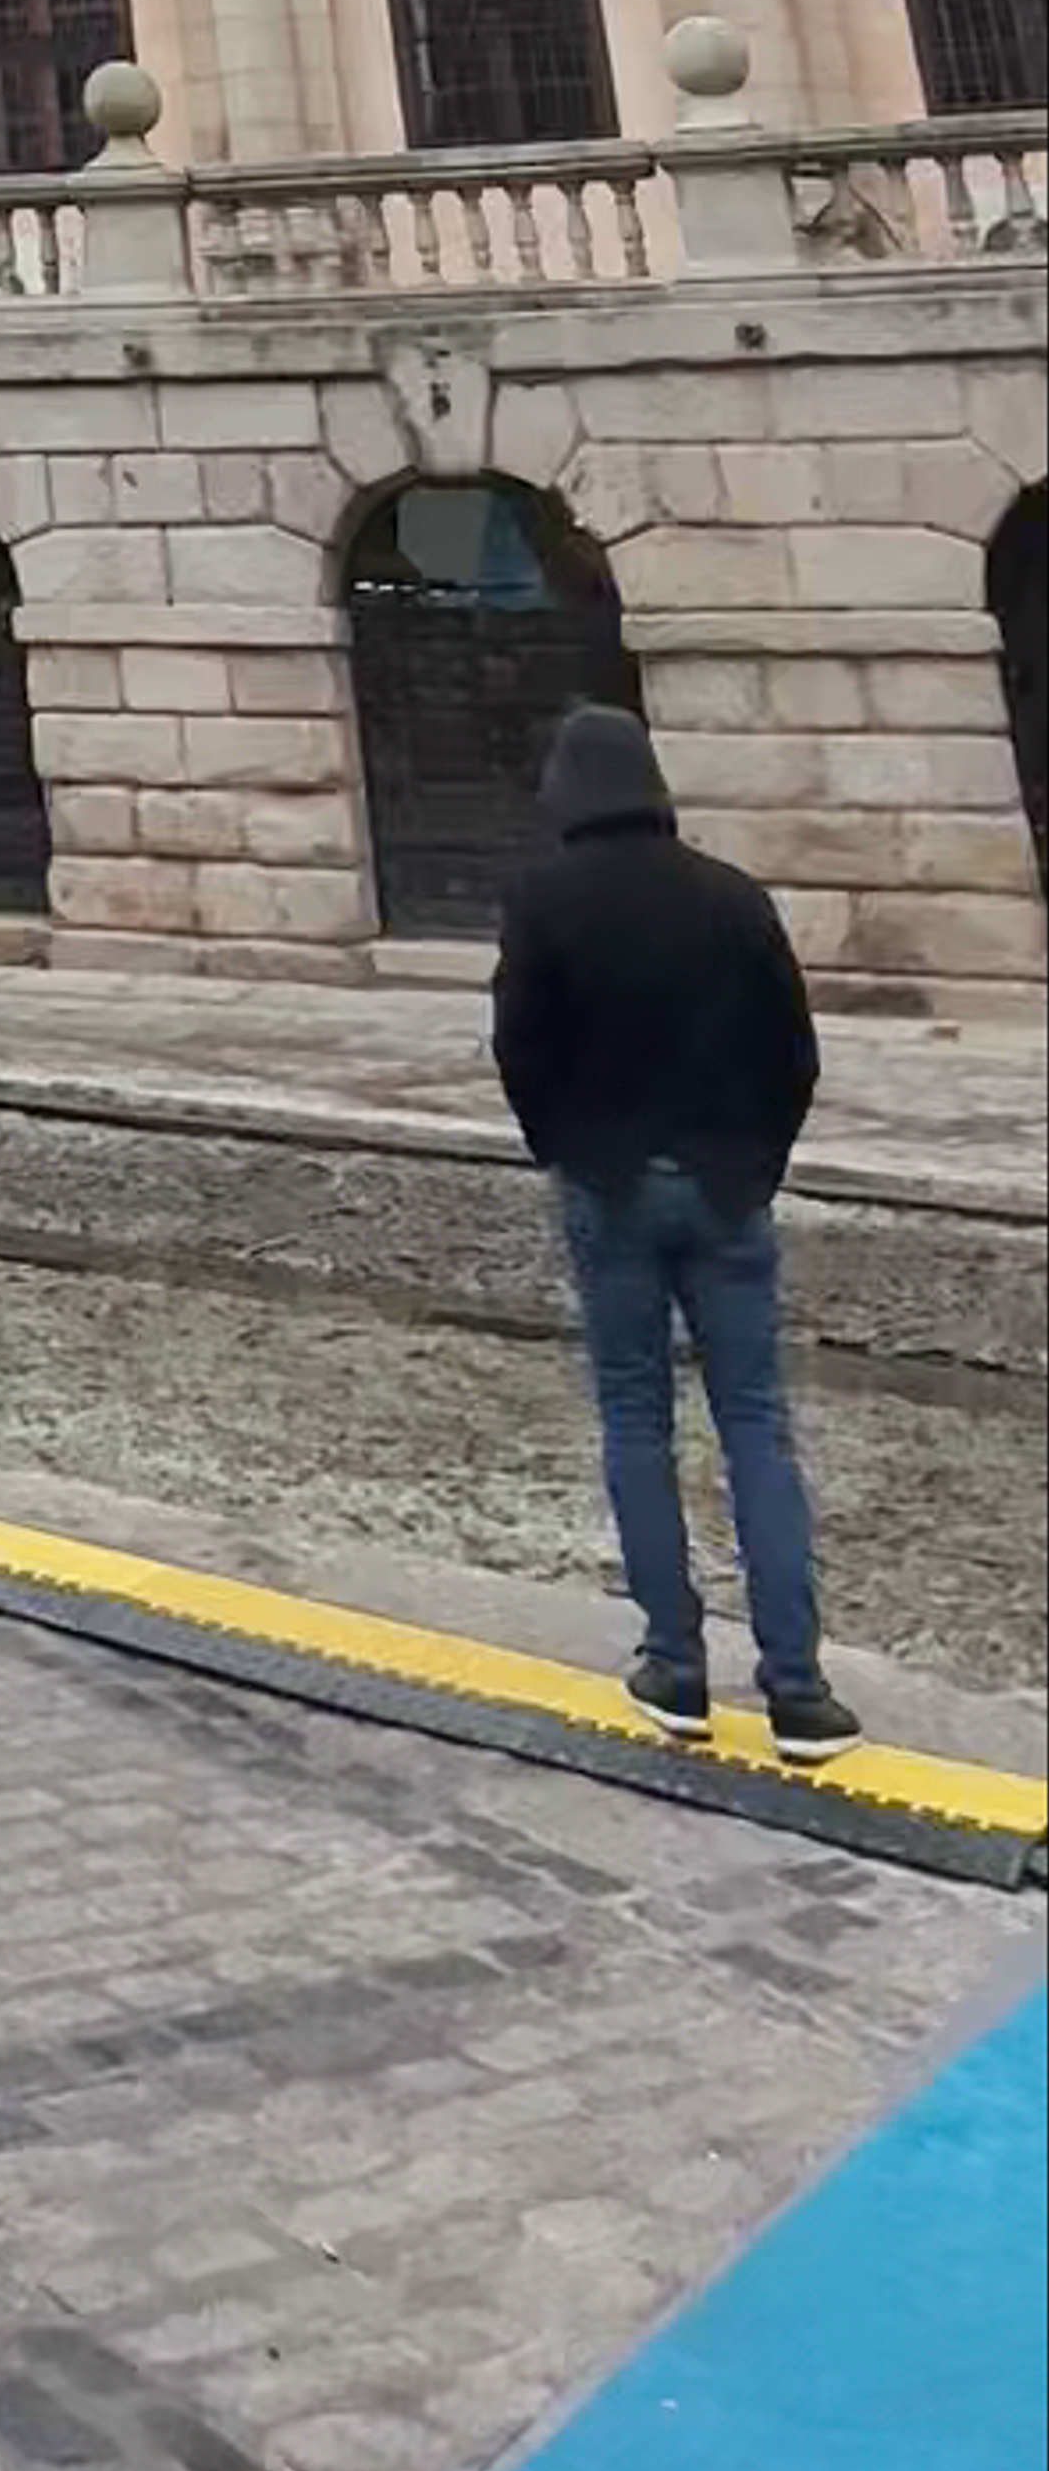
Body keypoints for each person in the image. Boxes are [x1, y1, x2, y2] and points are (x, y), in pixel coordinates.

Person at [491, 695, 858, 1758]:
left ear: (565, 788)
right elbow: (793, 1051)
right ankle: (799, 1688)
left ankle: (677, 1667)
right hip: (726, 1186)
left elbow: (521, 1045)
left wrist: (565, 1146)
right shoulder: (732, 895)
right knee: (756, 1423)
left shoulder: (544, 898)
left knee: (636, 1419)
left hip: (610, 1185)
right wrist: (753, 1163)